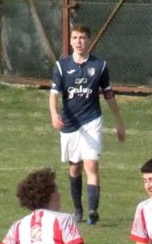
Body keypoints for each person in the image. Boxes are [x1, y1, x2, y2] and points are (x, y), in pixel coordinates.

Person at [49, 23, 126, 225]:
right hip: (70, 124)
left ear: (89, 41)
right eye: (75, 38)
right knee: (75, 168)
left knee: (91, 165)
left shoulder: (99, 66)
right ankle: (78, 209)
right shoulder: (62, 66)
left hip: (92, 121)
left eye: (82, 38)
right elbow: (54, 94)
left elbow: (109, 95)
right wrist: (54, 114)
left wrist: (119, 122)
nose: (79, 42)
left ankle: (93, 211)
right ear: (70, 41)